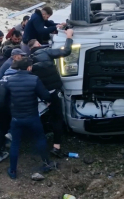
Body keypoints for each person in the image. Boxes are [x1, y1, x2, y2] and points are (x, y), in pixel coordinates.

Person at [3, 57, 56, 179]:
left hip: (16, 118)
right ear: (28, 68)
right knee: (40, 138)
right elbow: (46, 95)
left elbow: (5, 99)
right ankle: (46, 163)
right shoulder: (34, 79)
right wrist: (48, 100)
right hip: (32, 117)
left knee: (15, 143)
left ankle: (12, 170)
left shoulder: (10, 80)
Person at [28, 28, 74, 158]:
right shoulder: (46, 51)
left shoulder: (29, 61)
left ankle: (40, 145)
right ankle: (56, 146)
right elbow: (66, 51)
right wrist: (69, 37)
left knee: (47, 117)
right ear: (37, 45)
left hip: (43, 95)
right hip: (55, 91)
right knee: (57, 118)